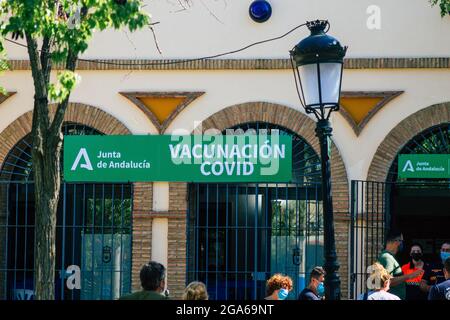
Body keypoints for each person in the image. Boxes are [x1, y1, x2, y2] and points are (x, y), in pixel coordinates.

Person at [377, 230, 423, 300]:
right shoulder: (387, 258)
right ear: (396, 241)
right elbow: (387, 281)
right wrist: (410, 276)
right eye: (401, 241)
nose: (402, 243)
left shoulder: (390, 257)